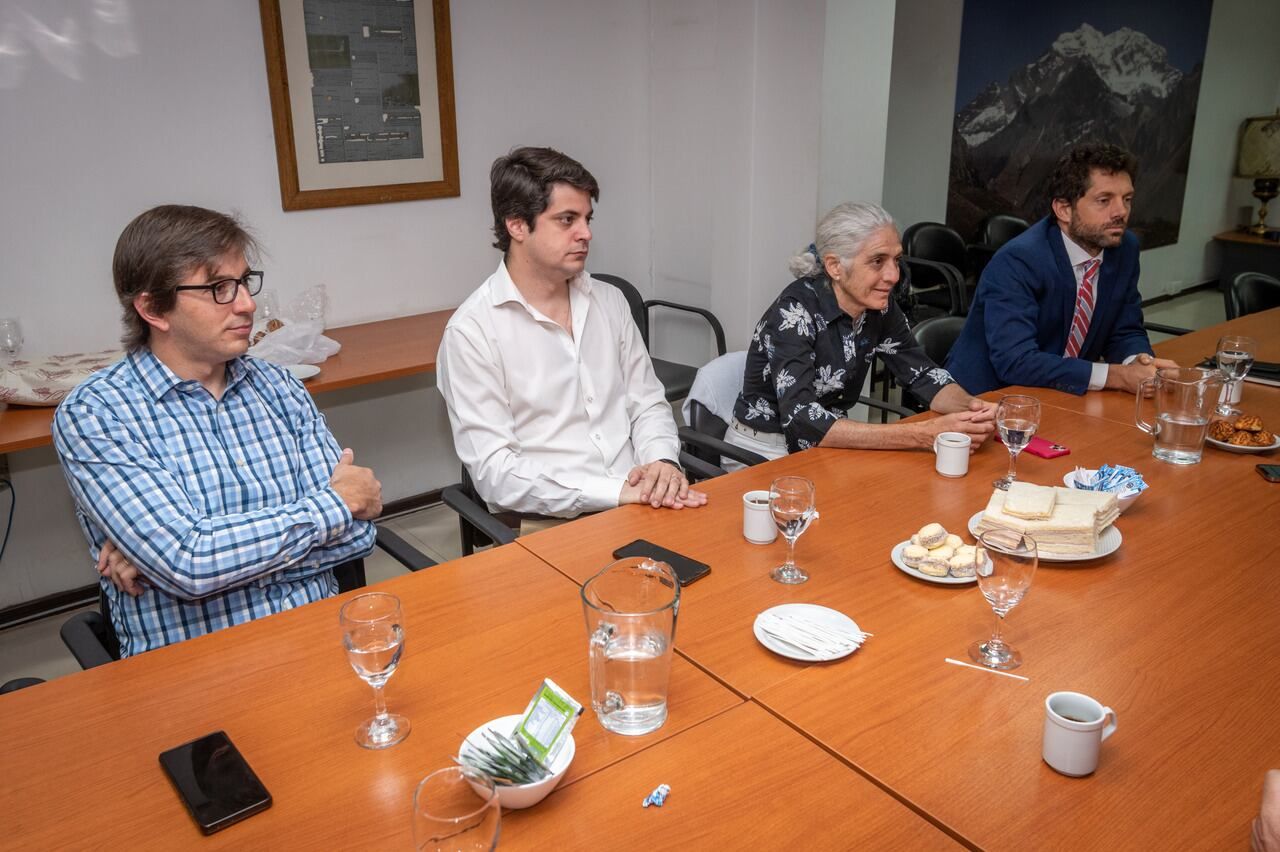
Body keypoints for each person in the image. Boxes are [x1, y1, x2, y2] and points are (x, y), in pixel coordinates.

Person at [53, 205, 380, 656]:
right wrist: (331, 507)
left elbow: (360, 534)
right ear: (152, 308)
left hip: (321, 642)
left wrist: (171, 564)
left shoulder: (279, 386)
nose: (247, 303)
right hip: (199, 671)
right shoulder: (98, 414)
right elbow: (191, 564)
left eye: (244, 282)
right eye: (218, 288)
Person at [437, 146, 706, 518]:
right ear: (517, 225)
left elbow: (647, 404)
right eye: (567, 220)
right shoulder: (472, 332)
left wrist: (661, 462)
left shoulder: (609, 302)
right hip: (551, 521)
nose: (586, 234)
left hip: (640, 499)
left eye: (587, 218)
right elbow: (498, 475)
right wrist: (617, 493)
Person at [725, 202, 996, 463]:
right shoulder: (795, 312)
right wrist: (921, 434)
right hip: (764, 452)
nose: (893, 275)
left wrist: (973, 409)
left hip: (827, 446)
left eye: (896, 260)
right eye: (878, 261)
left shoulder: (879, 308)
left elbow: (923, 375)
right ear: (835, 267)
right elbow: (802, 421)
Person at [946, 144, 1177, 395]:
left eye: (1127, 199)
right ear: (1064, 209)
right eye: (1104, 200)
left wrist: (1139, 363)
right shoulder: (1018, 261)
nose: (1121, 212)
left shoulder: (1124, 249)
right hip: (986, 398)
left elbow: (1125, 328)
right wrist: (1116, 376)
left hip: (1062, 394)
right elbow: (1016, 361)